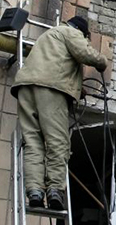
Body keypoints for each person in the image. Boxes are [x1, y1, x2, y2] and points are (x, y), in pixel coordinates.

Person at [11, 16, 108, 210]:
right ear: (82, 32)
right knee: (58, 143)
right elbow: (85, 53)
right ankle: (55, 191)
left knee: (33, 143)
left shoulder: (48, 35)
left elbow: (54, 66)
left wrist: (77, 89)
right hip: (49, 90)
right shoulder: (71, 32)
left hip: (25, 88)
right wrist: (102, 61)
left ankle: (35, 192)